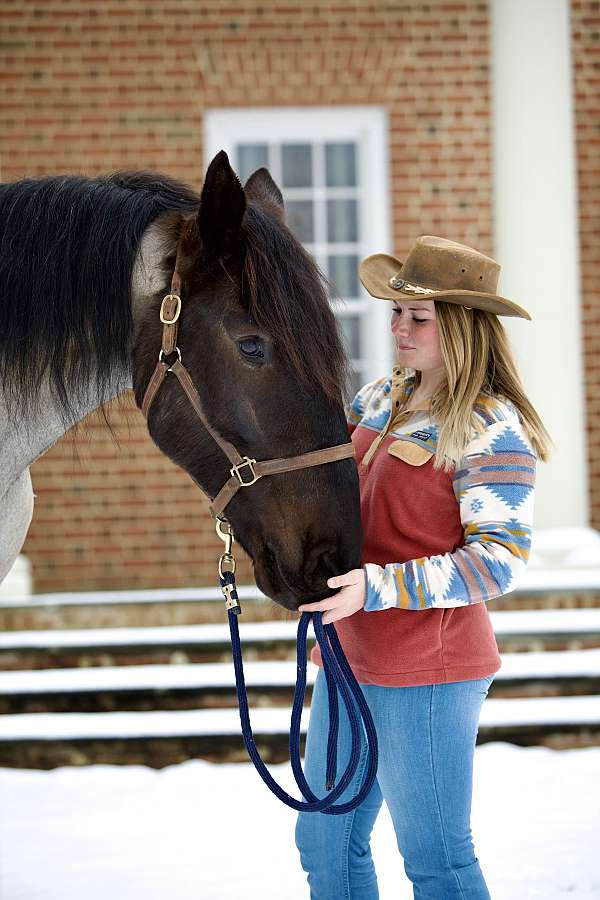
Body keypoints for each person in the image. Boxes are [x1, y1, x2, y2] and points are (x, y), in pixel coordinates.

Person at [295, 235, 552, 900]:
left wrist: (374, 587)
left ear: (461, 327)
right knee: (324, 843)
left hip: (429, 670)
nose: (398, 327)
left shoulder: (490, 426)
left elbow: (498, 561)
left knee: (434, 857)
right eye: (396, 312)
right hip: (348, 657)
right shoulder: (379, 399)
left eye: (419, 317)